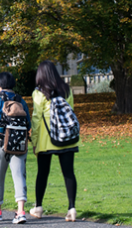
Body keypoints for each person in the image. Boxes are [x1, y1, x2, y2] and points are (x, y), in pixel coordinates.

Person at [29, 60, 79, 222]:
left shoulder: (39, 93)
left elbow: (36, 119)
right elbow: (70, 111)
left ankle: (38, 207)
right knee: (68, 173)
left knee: (42, 173)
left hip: (46, 140)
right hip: (67, 139)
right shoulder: (67, 90)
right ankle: (71, 208)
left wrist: (34, 142)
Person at [0, 72, 32, 224]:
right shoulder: (20, 100)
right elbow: (28, 123)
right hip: (19, 144)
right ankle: (21, 212)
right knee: (19, 175)